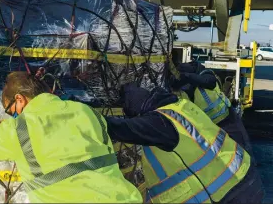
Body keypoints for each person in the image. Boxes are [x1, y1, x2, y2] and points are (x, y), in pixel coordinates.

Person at [0, 71, 142, 203]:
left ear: (19, 100)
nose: (11, 116)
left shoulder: (22, 129)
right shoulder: (87, 112)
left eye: (9, 111)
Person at [105, 82, 264, 203]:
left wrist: (89, 115)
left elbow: (120, 129)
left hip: (227, 194)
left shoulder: (159, 123)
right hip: (245, 178)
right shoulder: (181, 106)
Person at [171, 61, 254, 156]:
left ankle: (248, 164)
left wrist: (187, 77)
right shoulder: (181, 90)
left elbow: (209, 81)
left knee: (240, 147)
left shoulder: (205, 75)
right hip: (210, 125)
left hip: (227, 118)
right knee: (221, 150)